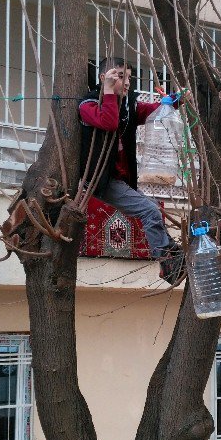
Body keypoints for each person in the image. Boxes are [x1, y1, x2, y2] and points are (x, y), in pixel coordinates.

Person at [79, 57, 185, 284]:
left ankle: (173, 256)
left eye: (129, 77)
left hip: (119, 180)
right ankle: (167, 262)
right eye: (119, 76)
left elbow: (157, 110)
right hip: (100, 180)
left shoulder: (129, 106)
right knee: (149, 211)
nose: (126, 82)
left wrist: (176, 99)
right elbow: (108, 123)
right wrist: (108, 91)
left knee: (152, 209)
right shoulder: (87, 104)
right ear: (103, 78)